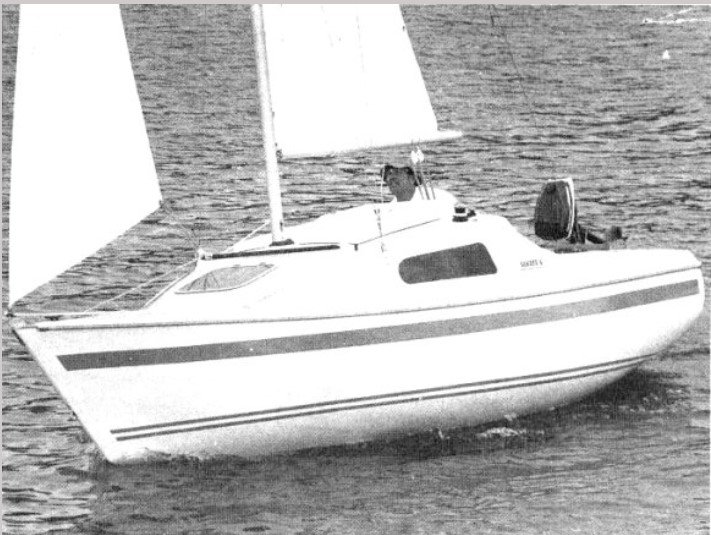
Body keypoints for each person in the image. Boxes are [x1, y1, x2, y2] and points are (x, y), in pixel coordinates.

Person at [381, 164, 457, 204]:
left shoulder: (440, 197)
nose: (389, 178)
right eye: (386, 175)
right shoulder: (389, 209)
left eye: (396, 172)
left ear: (412, 179)